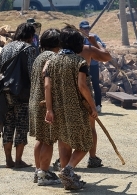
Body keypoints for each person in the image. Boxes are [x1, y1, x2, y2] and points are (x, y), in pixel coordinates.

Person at [44, 27, 97, 190]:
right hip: (76, 109)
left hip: (58, 109)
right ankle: (68, 170)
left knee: (64, 143)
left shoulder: (51, 62)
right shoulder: (79, 62)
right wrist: (92, 106)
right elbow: (82, 86)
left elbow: (47, 86)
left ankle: (67, 178)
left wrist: (49, 109)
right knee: (85, 141)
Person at [52, 31, 112, 169]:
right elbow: (107, 56)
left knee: (65, 126)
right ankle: (91, 157)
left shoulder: (57, 54)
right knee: (90, 126)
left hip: (63, 90)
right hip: (82, 89)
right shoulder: (86, 49)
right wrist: (95, 43)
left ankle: (65, 160)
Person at [0, 23, 36, 168]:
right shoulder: (29, 49)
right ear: (30, 35)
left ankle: (8, 160)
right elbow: (31, 72)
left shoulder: (6, 47)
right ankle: (18, 160)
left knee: (8, 125)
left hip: (4, 92)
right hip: (22, 93)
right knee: (22, 126)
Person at [29, 28, 61, 186]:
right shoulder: (53, 57)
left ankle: (39, 171)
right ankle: (44, 173)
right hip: (45, 103)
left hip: (35, 102)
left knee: (40, 139)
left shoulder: (39, 57)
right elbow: (48, 85)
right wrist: (50, 108)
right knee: (48, 140)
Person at [79, 20, 105, 113]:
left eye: (88, 28)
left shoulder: (94, 37)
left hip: (93, 65)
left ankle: (98, 105)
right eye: (84, 28)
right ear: (80, 29)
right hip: (81, 66)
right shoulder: (77, 38)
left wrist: (94, 44)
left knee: (95, 84)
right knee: (82, 84)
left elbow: (102, 47)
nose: (86, 30)